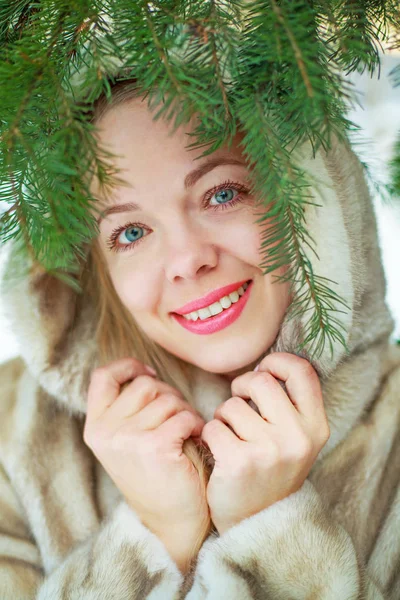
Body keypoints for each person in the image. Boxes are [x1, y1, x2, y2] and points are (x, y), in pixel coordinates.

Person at [0, 77, 399, 599]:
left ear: (307, 197)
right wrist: (151, 539)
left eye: (222, 193)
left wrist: (276, 535)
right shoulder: (11, 431)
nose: (188, 260)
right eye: (131, 232)